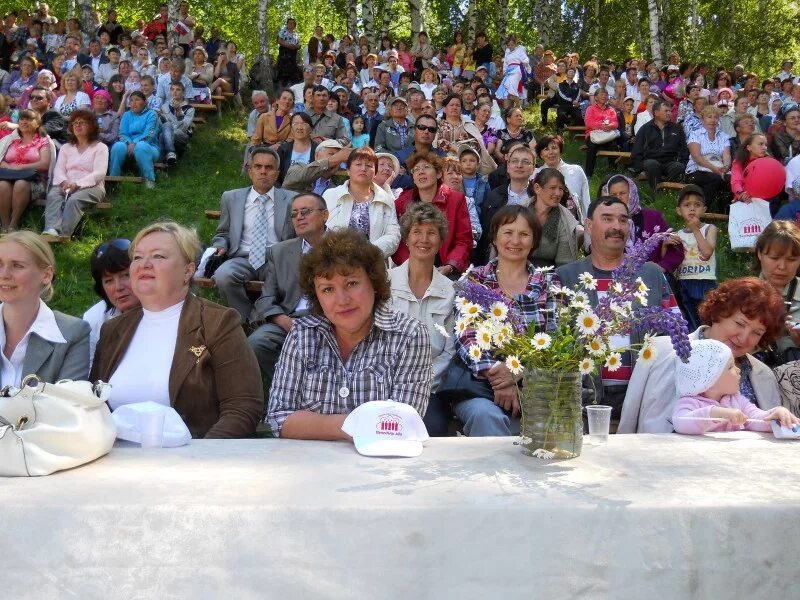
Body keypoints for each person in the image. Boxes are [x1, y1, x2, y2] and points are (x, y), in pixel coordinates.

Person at [91, 222, 263, 438]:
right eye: (137, 257)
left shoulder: (218, 323)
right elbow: (92, 404)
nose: (144, 264)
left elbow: (242, 407)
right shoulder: (112, 331)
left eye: (158, 256)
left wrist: (196, 460)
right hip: (115, 461)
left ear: (187, 271)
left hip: (189, 464)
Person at [266, 228, 431, 439]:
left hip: (380, 466)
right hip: (309, 466)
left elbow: (401, 428)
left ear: (374, 283)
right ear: (316, 296)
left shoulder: (410, 336)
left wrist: (315, 424)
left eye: (351, 283)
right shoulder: (302, 334)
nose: (342, 300)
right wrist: (354, 425)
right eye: (327, 289)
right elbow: (278, 419)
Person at [557, 196, 679, 423]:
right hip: (581, 404)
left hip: (645, 402)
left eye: (623, 220)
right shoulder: (565, 277)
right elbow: (555, 340)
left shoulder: (651, 275)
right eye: (607, 218)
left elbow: (674, 335)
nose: (617, 226)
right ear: (589, 226)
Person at [621, 278, 787, 433]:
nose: (743, 338)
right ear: (718, 313)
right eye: (739, 323)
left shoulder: (763, 375)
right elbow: (630, 415)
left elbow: (770, 425)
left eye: (757, 333)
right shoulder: (661, 350)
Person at [450, 205, 559, 436]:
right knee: (486, 417)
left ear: (534, 241)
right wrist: (500, 376)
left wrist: (519, 372)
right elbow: (466, 335)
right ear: (495, 237)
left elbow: (555, 337)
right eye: (508, 232)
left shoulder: (548, 281)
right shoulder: (475, 279)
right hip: (479, 387)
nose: (515, 241)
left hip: (534, 384)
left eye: (524, 234)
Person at [248, 192, 329, 402]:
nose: (299, 217)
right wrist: (284, 321)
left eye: (305, 212)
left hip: (331, 320)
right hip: (290, 320)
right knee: (257, 342)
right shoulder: (280, 252)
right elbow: (266, 299)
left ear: (325, 215)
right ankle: (290, 393)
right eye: (294, 214)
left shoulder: (344, 247)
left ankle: (318, 395)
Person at [389, 202, 455, 436]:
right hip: (385, 385)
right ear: (406, 238)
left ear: (440, 240)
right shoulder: (385, 284)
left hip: (429, 390)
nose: (423, 239)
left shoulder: (450, 291)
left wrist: (420, 382)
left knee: (432, 429)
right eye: (417, 232)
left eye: (431, 233)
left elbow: (448, 351)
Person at [211, 147, 298, 323]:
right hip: (242, 257)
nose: (263, 172)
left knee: (289, 279)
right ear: (250, 171)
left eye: (269, 167)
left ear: (277, 173)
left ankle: (273, 317)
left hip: (277, 258)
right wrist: (220, 245)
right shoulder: (231, 197)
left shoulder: (291, 199)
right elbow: (223, 231)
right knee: (223, 275)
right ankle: (245, 317)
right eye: (258, 167)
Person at [0, 230, 90, 386]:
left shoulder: (72, 333)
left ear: (46, 275)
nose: (4, 274)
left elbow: (67, 404)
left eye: (17, 266)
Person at [672, 339, 800, 434]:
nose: (738, 370)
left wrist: (774, 415)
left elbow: (755, 418)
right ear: (709, 378)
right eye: (730, 367)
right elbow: (680, 423)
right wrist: (714, 413)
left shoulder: (736, 400)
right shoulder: (690, 402)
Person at [393, 152, 472, 276]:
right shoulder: (401, 202)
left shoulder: (456, 199)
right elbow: (398, 241)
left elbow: (463, 240)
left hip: (446, 268)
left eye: (426, 167)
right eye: (416, 169)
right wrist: (410, 265)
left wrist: (450, 266)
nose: (421, 172)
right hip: (411, 269)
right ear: (413, 177)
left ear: (439, 174)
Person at [323, 147, 400, 258]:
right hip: (335, 261)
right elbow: (321, 230)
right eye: (358, 164)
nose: (363, 168)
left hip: (371, 262)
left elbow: (393, 236)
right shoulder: (330, 195)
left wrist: (367, 252)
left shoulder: (386, 200)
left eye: (369, 165)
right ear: (348, 170)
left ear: (375, 172)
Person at [42, 109, 107, 240]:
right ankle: (51, 230)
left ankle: (63, 235)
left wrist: (78, 184)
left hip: (92, 187)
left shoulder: (101, 147)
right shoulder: (66, 147)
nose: (77, 125)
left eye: (82, 123)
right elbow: (59, 169)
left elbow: (99, 173)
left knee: (74, 200)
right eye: (75, 123)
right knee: (54, 194)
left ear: (92, 126)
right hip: (65, 184)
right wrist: (64, 182)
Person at [83, 238, 141, 366]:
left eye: (125, 275)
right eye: (108, 281)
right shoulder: (93, 319)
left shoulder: (168, 308)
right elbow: (88, 370)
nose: (118, 287)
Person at [477, 144, 536, 264]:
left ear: (533, 168)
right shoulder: (493, 196)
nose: (519, 165)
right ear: (508, 167)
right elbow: (486, 233)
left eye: (525, 162)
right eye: (515, 161)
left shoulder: (538, 196)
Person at [753, 221, 800, 366]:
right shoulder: (741, 294)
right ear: (760, 254)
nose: (782, 267)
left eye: (791, 259)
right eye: (774, 258)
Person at [0, 109, 53, 232]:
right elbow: (1, 160)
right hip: (9, 177)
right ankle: (4, 225)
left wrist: (19, 167)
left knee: (20, 183)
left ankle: (14, 224)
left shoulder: (43, 142)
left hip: (34, 180)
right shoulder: (11, 141)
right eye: (22, 119)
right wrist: (8, 166)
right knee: (2, 185)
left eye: (29, 119)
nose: (24, 122)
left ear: (37, 123)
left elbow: (44, 164)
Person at [674, 185, 718, 331]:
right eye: (687, 205)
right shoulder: (677, 234)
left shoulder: (709, 228)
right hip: (684, 281)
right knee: (689, 318)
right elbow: (671, 264)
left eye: (697, 205)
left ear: (704, 209)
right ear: (679, 211)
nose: (692, 209)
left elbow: (706, 253)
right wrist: (664, 246)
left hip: (704, 280)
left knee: (706, 318)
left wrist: (695, 230)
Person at [629, 99, 688, 193]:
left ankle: (667, 190)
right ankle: (656, 193)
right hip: (651, 161)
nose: (669, 113)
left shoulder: (677, 128)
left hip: (670, 162)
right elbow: (637, 150)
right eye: (666, 111)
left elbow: (683, 149)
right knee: (652, 165)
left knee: (679, 166)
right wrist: (639, 169)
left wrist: (683, 163)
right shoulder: (645, 129)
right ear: (656, 113)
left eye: (670, 111)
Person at [529, 168, 582, 268]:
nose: (558, 193)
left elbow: (565, 265)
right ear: (537, 188)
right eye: (553, 187)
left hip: (550, 277)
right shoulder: (520, 212)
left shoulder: (566, 220)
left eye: (561, 189)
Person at [108, 91, 160, 188]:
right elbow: (122, 133)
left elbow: (150, 134)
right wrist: (129, 143)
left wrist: (135, 143)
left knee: (141, 146)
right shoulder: (127, 115)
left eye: (137, 99)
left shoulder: (152, 114)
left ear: (145, 102)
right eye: (131, 100)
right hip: (128, 146)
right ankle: (113, 180)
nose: (133, 103)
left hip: (149, 147)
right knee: (117, 146)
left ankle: (149, 180)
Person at [684, 106, 731, 212]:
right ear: (702, 119)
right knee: (714, 178)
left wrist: (726, 167)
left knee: (732, 180)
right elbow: (696, 157)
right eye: (709, 117)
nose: (713, 120)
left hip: (719, 168)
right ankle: (704, 210)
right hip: (696, 169)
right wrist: (715, 170)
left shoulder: (723, 136)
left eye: (716, 117)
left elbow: (726, 156)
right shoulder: (695, 134)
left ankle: (725, 212)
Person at [534, 134, 591, 220]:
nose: (551, 152)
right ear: (541, 154)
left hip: (573, 224)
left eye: (554, 148)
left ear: (560, 151)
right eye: (546, 149)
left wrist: (587, 227)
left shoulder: (576, 171)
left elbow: (586, 200)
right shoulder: (535, 174)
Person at [282, 139, 351, 195]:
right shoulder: (298, 167)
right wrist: (334, 159)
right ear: (316, 155)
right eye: (331, 154)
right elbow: (302, 176)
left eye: (339, 158)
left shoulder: (339, 188)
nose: (336, 160)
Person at [583, 88, 620, 178]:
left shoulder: (611, 110)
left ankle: (613, 174)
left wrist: (610, 126)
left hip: (607, 136)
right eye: (601, 94)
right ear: (595, 97)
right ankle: (588, 175)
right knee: (592, 147)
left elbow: (615, 123)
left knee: (613, 146)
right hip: (593, 135)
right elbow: (588, 122)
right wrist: (601, 125)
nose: (604, 96)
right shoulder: (590, 109)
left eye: (605, 94)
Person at [160, 81, 194, 165]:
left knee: (167, 132)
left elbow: (184, 128)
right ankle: (167, 159)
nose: (174, 92)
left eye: (178, 90)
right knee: (161, 134)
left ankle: (167, 156)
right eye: (172, 89)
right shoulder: (164, 106)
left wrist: (179, 111)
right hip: (168, 132)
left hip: (181, 134)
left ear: (183, 93)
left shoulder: (189, 108)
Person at [495, 34, 529, 107]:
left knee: (510, 86)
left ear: (515, 44)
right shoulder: (507, 51)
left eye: (512, 45)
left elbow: (526, 58)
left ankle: (518, 105)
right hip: (509, 71)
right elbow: (505, 64)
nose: (510, 46)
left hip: (517, 69)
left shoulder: (520, 49)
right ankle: (511, 108)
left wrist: (525, 62)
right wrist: (504, 71)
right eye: (508, 45)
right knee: (506, 88)